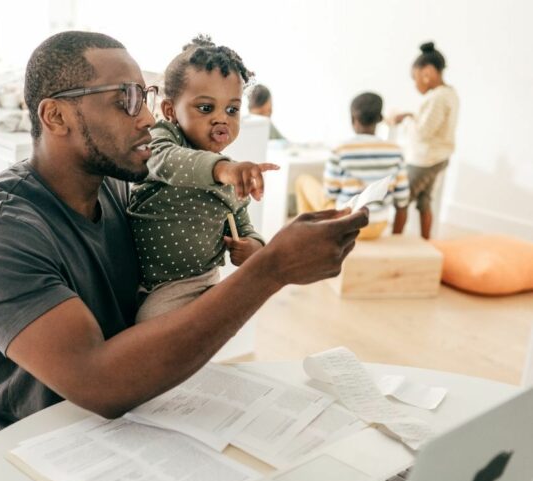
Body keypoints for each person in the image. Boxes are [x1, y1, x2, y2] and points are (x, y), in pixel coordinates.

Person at [0, 31, 368, 446]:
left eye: (145, 96)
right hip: (32, 449)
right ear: (56, 116)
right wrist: (270, 269)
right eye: (125, 99)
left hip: (135, 422)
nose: (148, 118)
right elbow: (100, 383)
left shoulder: (119, 189)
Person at [128, 35, 277, 322]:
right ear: (170, 110)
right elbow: (166, 161)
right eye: (206, 108)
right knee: (134, 334)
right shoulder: (165, 139)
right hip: (143, 278)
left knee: (162, 338)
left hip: (197, 282)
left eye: (232, 110)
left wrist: (253, 246)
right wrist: (223, 170)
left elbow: (243, 223)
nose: (222, 119)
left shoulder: (229, 175)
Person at [295, 92, 410, 240]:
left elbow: (330, 193)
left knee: (302, 181)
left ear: (353, 118)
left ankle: (307, 237)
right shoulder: (396, 151)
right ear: (380, 119)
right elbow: (402, 201)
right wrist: (396, 239)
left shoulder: (340, 149)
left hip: (346, 223)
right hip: (378, 227)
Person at [389, 41, 459, 239]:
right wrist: (412, 115)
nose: (415, 83)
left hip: (424, 160)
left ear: (427, 72)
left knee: (401, 200)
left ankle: (394, 242)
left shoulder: (437, 98)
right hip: (439, 158)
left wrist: (407, 120)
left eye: (415, 78)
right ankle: (427, 242)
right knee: (424, 202)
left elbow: (423, 133)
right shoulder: (451, 94)